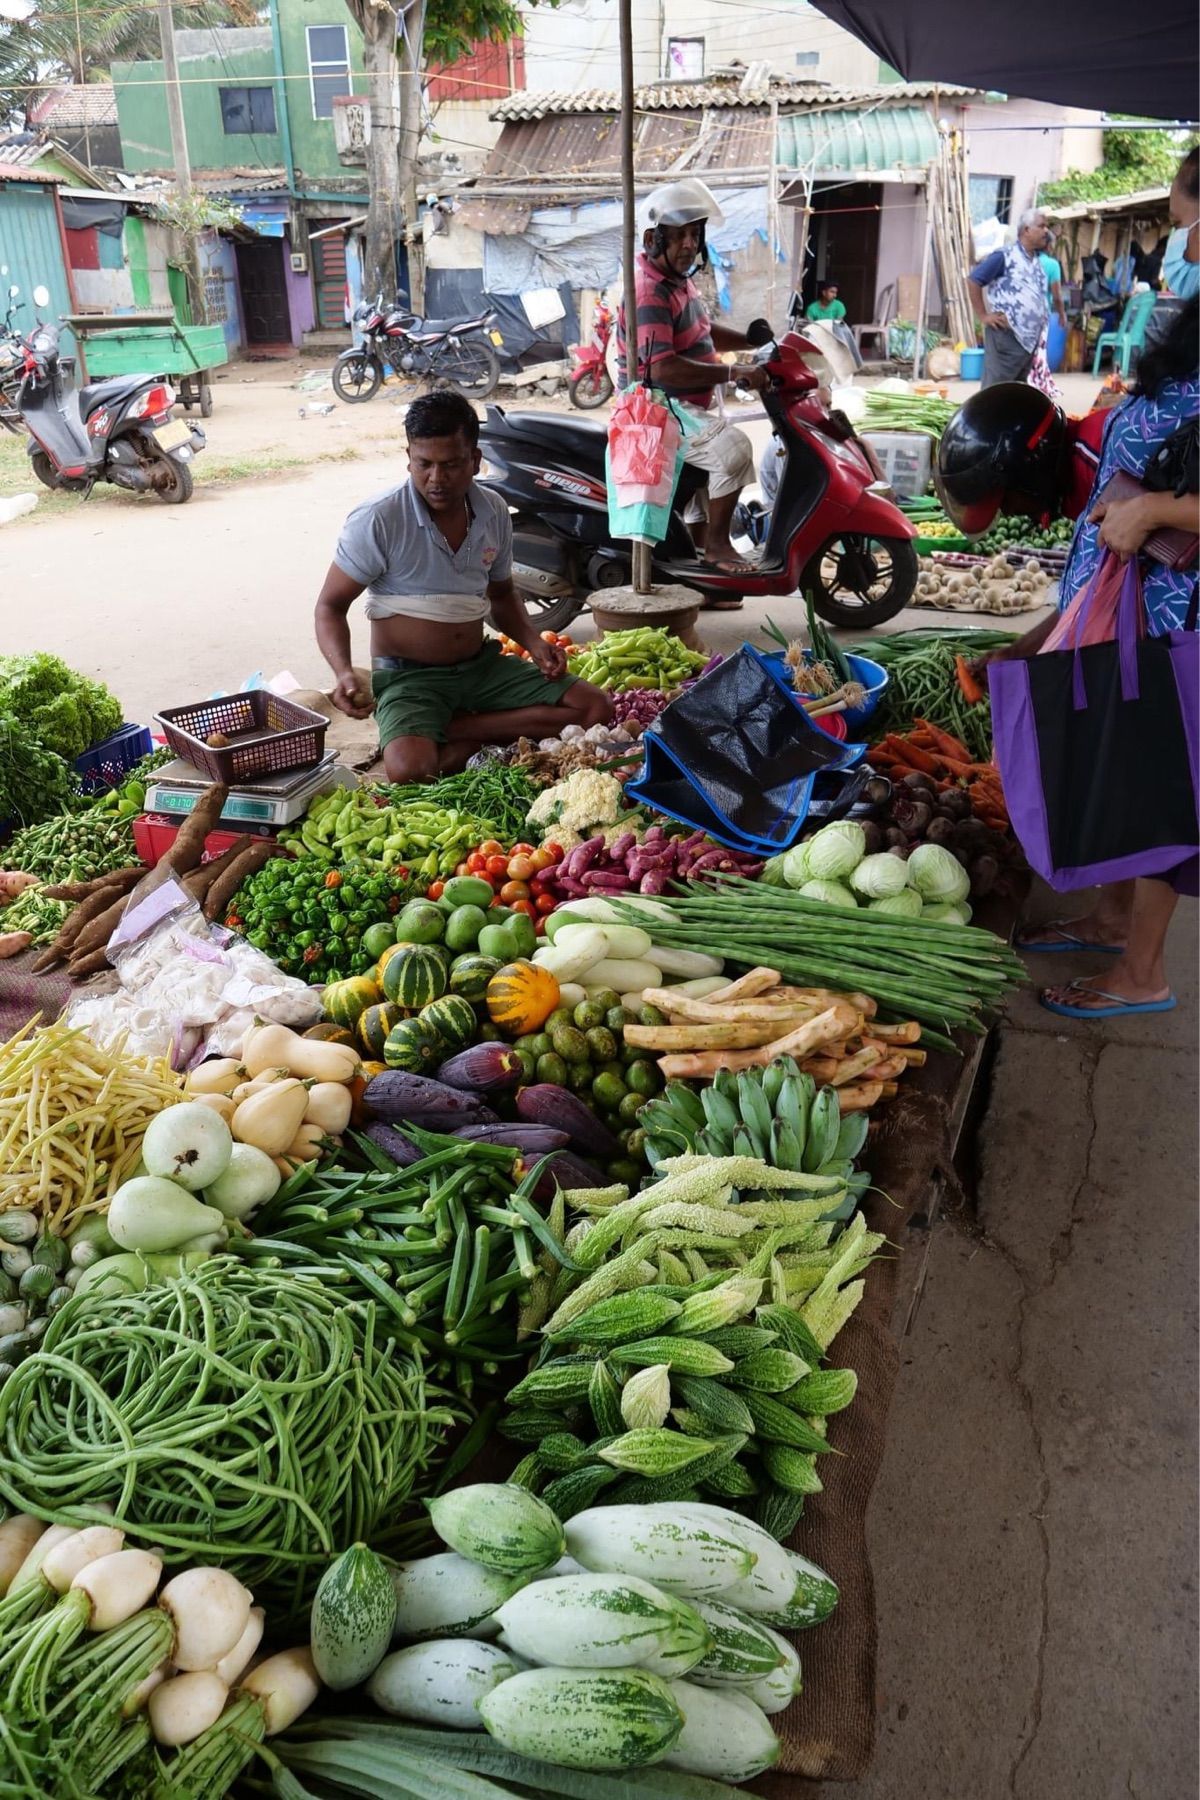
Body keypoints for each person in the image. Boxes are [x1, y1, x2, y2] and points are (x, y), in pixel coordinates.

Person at [970, 289, 1199, 1020]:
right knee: (1124, 770)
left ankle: (1143, 974)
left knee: (1161, 790)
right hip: (1133, 606)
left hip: (1178, 614)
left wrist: (1156, 511)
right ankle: (1108, 922)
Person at [314, 390, 611, 782]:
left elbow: (502, 596)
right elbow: (329, 607)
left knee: (596, 709)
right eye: (424, 464)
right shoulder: (378, 519)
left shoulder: (493, 512)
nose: (436, 479)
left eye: (451, 465)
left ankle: (456, 729)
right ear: (409, 457)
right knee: (408, 770)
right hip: (410, 678)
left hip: (480, 669)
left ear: (475, 460)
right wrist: (343, 673)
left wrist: (535, 643)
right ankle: (478, 732)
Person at [616, 179, 769, 588]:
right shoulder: (647, 290)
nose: (689, 244)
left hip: (684, 404)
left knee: (708, 480)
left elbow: (700, 333)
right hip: (652, 407)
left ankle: (706, 580)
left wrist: (750, 342)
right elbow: (662, 370)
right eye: (680, 235)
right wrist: (735, 372)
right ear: (654, 239)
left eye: (695, 234)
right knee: (733, 449)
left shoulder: (677, 281)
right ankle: (718, 548)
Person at [968, 208, 1060, 389]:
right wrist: (983, 316)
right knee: (995, 392)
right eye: (1041, 226)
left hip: (1027, 342)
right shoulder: (1005, 256)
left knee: (1014, 394)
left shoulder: (1036, 262)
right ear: (1026, 230)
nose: (1046, 231)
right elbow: (974, 280)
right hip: (1006, 337)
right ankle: (988, 418)